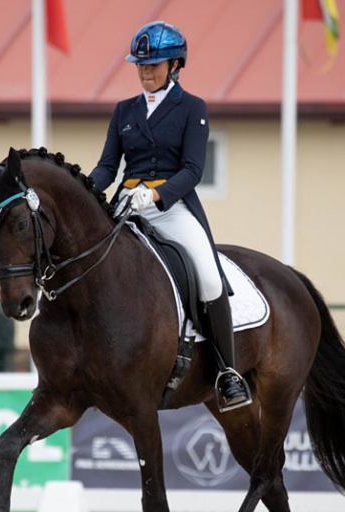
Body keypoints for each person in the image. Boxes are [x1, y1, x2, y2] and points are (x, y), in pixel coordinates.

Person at [89, 20, 251, 411]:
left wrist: (157, 195)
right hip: (126, 205)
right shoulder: (124, 110)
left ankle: (228, 373)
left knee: (210, 278)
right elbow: (108, 166)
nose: (146, 72)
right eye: (141, 65)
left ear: (175, 65)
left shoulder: (192, 108)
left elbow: (193, 170)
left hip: (172, 207)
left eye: (154, 65)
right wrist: (87, 189)